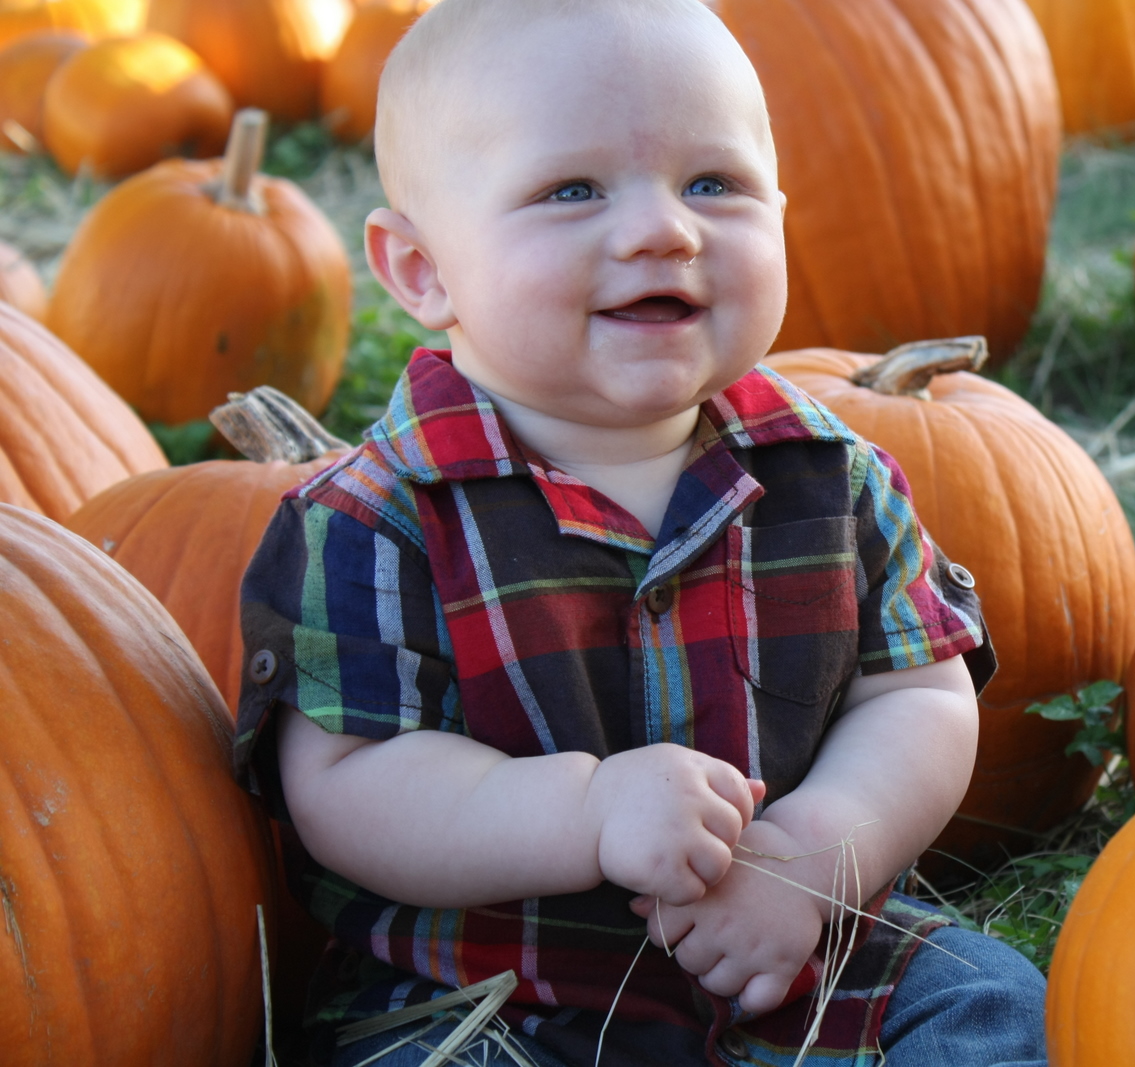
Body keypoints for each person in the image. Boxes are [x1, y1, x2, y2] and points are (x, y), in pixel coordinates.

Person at [232, 0, 1049, 1064]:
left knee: (991, 1002)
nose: (666, 227)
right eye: (571, 190)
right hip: (496, 1000)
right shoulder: (374, 518)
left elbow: (916, 696)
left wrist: (807, 853)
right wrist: (582, 808)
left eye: (713, 183)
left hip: (798, 957)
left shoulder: (831, 474)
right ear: (422, 269)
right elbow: (346, 782)